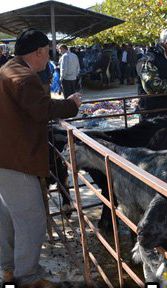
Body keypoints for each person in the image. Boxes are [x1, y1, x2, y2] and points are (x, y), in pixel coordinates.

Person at [0, 28, 81, 288]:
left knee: (9, 216)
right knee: (31, 218)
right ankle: (28, 276)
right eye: (46, 53)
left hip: (6, 154)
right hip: (17, 157)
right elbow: (42, 108)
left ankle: (9, 268)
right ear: (37, 52)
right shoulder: (23, 77)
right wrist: (71, 105)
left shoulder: (8, 70)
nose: (48, 58)